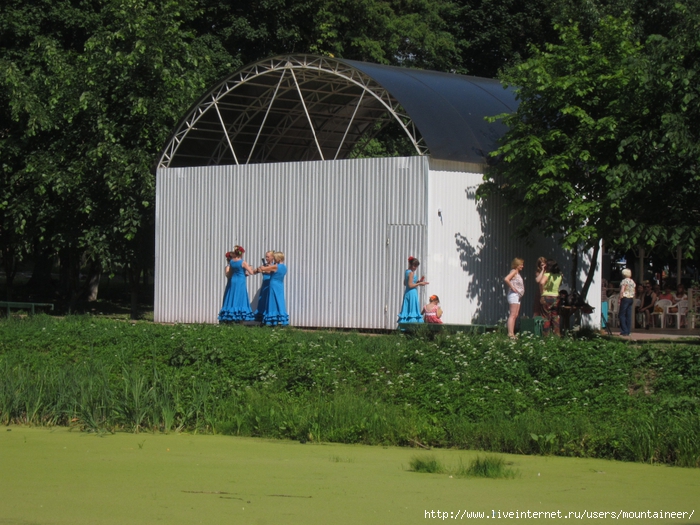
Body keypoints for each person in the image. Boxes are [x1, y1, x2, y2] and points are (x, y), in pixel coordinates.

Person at [218, 245, 255, 323]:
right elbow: (251, 272)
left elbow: (230, 274)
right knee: (240, 297)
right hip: (240, 281)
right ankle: (238, 316)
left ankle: (230, 315)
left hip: (233, 280)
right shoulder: (243, 262)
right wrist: (251, 268)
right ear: (241, 253)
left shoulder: (231, 262)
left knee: (232, 297)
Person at [256, 251, 289, 326]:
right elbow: (271, 271)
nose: (274, 259)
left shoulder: (276, 266)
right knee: (279, 301)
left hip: (273, 285)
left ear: (278, 258)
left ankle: (271, 320)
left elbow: (266, 268)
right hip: (280, 285)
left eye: (275, 258)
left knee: (272, 301)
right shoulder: (284, 267)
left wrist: (262, 268)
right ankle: (279, 318)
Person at [398, 256, 428, 324]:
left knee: (407, 309)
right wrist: (419, 283)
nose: (415, 267)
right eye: (414, 265)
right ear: (411, 264)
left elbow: (405, 283)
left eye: (416, 266)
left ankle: (406, 324)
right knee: (412, 310)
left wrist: (418, 282)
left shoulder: (407, 271)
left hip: (407, 292)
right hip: (412, 293)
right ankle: (412, 325)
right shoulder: (411, 273)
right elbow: (410, 285)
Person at [538, 259, 562, 337]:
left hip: (547, 297)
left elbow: (541, 283)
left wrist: (542, 293)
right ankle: (557, 334)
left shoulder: (547, 275)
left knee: (545, 317)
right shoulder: (560, 275)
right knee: (555, 316)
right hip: (556, 297)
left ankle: (546, 335)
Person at [504, 257, 525, 339]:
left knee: (515, 314)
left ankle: (512, 333)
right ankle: (510, 333)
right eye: (521, 265)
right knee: (512, 315)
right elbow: (506, 279)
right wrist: (512, 287)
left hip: (518, 296)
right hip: (514, 295)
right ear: (517, 265)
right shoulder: (514, 272)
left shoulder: (517, 273)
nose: (522, 266)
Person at [252, 250, 275, 322]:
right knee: (262, 300)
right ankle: (261, 318)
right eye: (266, 257)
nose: (266, 258)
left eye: (268, 257)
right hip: (264, 285)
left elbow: (270, 271)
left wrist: (264, 270)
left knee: (269, 301)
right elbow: (254, 272)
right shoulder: (264, 265)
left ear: (272, 257)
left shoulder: (274, 265)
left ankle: (269, 318)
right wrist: (258, 270)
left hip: (270, 286)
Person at [618, 268, 636, 336]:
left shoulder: (624, 281)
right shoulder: (632, 281)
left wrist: (620, 298)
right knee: (628, 315)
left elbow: (622, 290)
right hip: (631, 298)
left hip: (625, 298)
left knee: (621, 314)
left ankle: (624, 331)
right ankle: (628, 331)